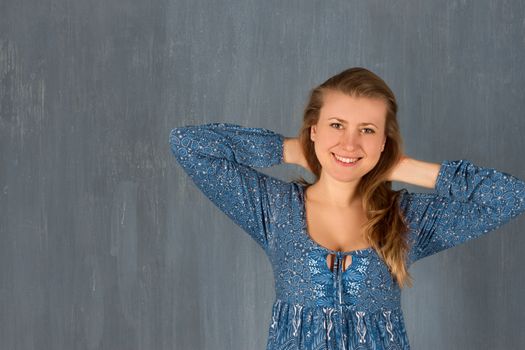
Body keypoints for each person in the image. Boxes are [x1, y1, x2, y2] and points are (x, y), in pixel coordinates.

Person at [168, 67, 525, 349]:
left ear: (385, 141)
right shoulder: (274, 208)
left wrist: (403, 167)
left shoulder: (408, 217)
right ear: (314, 129)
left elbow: (510, 197)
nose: (349, 143)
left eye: (367, 130)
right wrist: (291, 150)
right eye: (336, 125)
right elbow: (187, 144)